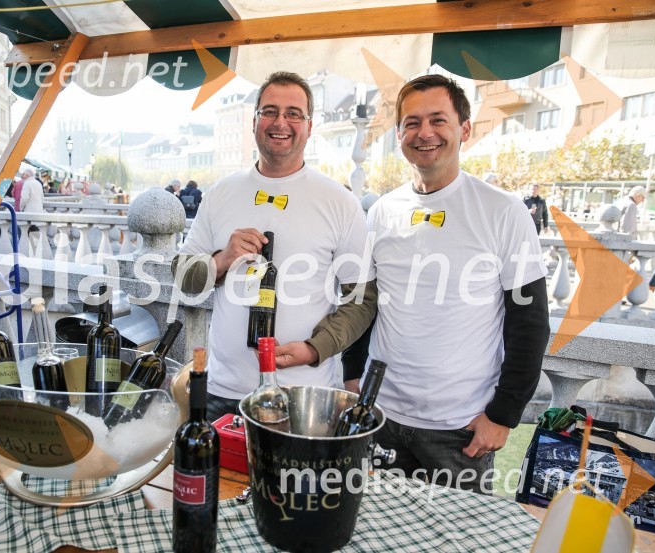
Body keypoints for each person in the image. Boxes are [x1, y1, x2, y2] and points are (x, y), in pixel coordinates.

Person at [352, 74, 550, 494]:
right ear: (399, 133)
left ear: (464, 129)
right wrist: (353, 378)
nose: (424, 133)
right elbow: (363, 302)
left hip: (460, 431)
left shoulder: (504, 211)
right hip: (381, 418)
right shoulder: (382, 211)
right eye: (411, 122)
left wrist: (503, 415)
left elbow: (529, 323)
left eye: (437, 120)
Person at [171, 71, 376, 422]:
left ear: (309, 126)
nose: (281, 122)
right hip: (223, 390)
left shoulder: (339, 201)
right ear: (254, 121)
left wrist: (316, 348)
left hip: (304, 394)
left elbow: (362, 299)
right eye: (270, 111)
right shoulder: (221, 193)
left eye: (294, 113)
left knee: (298, 480)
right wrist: (222, 260)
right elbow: (183, 277)